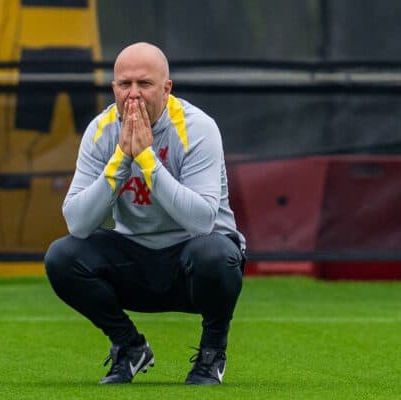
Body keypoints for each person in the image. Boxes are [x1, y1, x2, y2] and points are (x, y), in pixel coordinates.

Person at [44, 42, 246, 385]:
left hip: (192, 264)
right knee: (62, 256)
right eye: (125, 85)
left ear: (166, 89)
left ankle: (212, 354)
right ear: (113, 88)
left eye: (145, 84)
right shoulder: (100, 130)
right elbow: (77, 223)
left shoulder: (197, 128)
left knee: (216, 253)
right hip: (135, 261)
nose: (133, 96)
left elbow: (201, 222)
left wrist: (148, 160)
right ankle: (129, 346)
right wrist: (122, 159)